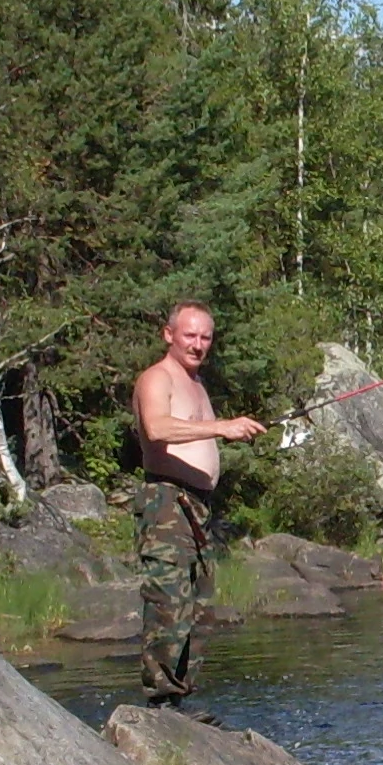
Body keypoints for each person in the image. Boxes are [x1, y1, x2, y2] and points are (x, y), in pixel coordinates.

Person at [131, 301, 263, 708]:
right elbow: (156, 427)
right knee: (168, 600)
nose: (198, 344)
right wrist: (222, 427)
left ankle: (182, 699)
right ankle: (161, 700)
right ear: (168, 334)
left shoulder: (198, 384)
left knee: (199, 607)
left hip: (198, 506)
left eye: (205, 337)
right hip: (167, 499)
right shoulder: (157, 378)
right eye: (190, 335)